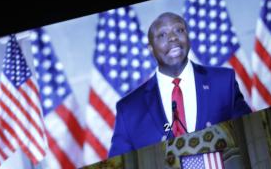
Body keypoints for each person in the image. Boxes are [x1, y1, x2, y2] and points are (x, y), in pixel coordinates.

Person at [107, 12, 251, 157]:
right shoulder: (129, 108)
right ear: (150, 48)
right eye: (162, 35)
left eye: (179, 30)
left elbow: (249, 133)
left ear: (188, 37)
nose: (173, 37)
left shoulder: (223, 81)